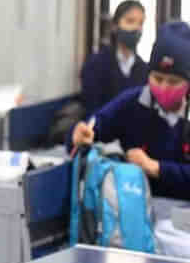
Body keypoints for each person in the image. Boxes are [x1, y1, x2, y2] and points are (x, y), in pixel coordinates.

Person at [69, 22, 190, 200]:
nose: (164, 87)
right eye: (157, 78)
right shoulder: (133, 103)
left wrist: (157, 168)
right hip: (137, 208)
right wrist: (78, 136)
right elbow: (97, 125)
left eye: (173, 82)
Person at [80, 0, 149, 116]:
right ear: (115, 26)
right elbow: (92, 110)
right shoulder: (95, 65)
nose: (136, 28)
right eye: (130, 21)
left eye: (140, 23)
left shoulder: (144, 70)